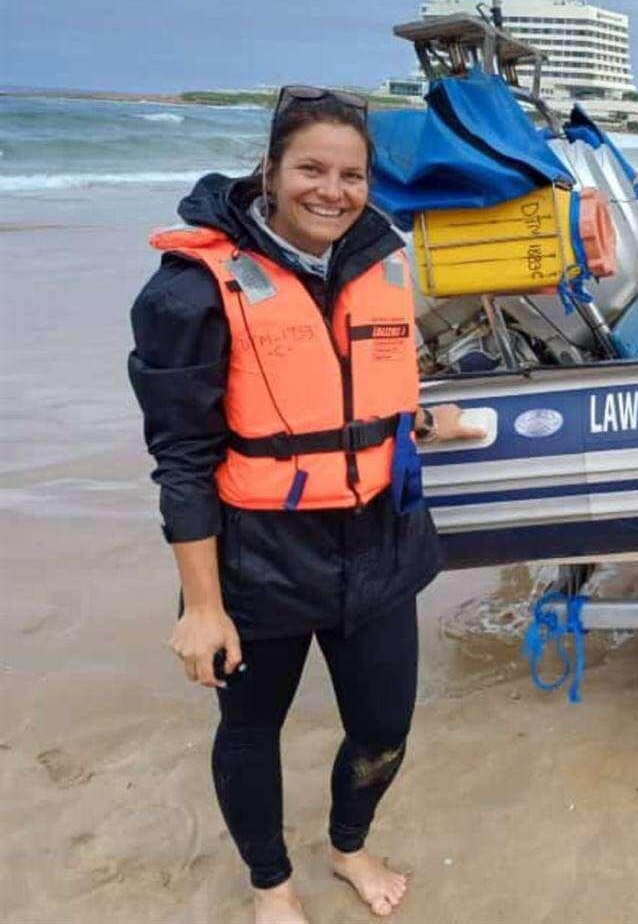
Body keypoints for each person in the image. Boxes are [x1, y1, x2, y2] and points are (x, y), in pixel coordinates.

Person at [129, 86, 484, 923]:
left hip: (380, 543)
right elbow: (181, 458)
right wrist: (205, 607)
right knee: (251, 733)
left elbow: (365, 391)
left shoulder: (377, 257)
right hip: (260, 558)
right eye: (311, 170)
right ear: (271, 169)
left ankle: (349, 846)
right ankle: (271, 885)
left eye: (352, 174)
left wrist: (430, 422)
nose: (333, 191)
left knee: (385, 727)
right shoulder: (190, 290)